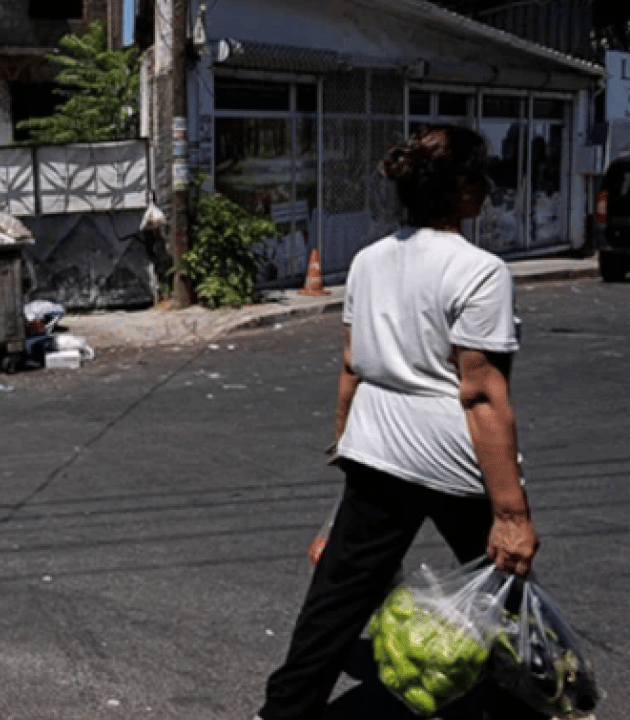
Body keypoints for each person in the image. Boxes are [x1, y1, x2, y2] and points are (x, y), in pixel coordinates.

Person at [254, 125, 541, 720]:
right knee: (504, 589)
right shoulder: (481, 271)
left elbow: (352, 368)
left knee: (337, 596)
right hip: (451, 459)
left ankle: (282, 712)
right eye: (481, 178)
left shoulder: (367, 261)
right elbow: (481, 394)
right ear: (462, 189)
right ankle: (533, 702)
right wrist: (512, 515)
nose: (486, 190)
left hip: (377, 450)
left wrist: (346, 454)